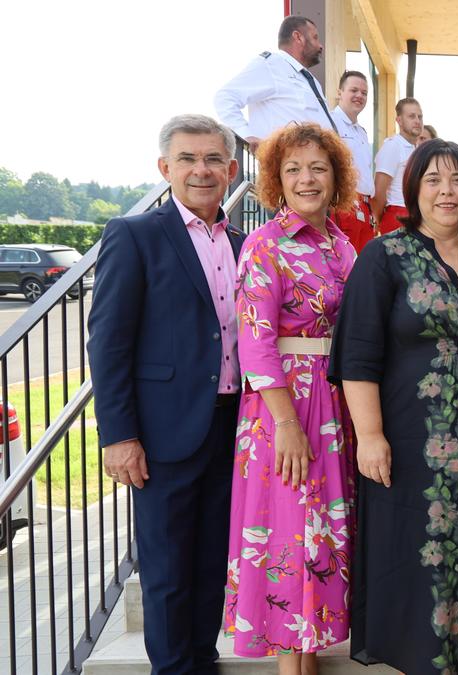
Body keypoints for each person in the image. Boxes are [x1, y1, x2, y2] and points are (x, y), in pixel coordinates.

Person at [329, 139, 458, 674]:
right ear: (413, 189)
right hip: (412, 442)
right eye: (433, 180)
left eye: (457, 180)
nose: (446, 191)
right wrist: (370, 436)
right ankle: (418, 659)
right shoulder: (384, 255)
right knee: (419, 550)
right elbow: (358, 355)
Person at [89, 113, 244, 675]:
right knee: (167, 568)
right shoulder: (135, 235)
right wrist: (120, 436)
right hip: (162, 435)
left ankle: (201, 658)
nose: (200, 170)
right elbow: (107, 344)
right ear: (165, 168)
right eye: (187, 159)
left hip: (234, 428)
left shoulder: (245, 243)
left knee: (211, 563)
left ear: (230, 170)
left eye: (211, 160)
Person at [222, 123, 358, 670]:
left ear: (336, 177)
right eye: (294, 169)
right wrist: (286, 423)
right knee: (286, 537)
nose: (307, 179)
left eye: (318, 168)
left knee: (317, 538)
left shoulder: (342, 244)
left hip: (335, 404)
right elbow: (254, 344)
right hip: (285, 409)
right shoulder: (264, 244)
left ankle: (308, 661)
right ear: (277, 179)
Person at [214, 15, 336, 152]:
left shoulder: (310, 80)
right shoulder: (271, 65)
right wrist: (246, 134)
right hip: (287, 166)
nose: (320, 46)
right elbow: (225, 97)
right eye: (315, 37)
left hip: (317, 163)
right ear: (298, 37)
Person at [331, 70, 376, 253]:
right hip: (344, 204)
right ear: (340, 92)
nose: (359, 96)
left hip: (364, 207)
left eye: (364, 93)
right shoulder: (330, 123)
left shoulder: (362, 132)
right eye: (354, 90)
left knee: (361, 266)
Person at [372, 97, 424, 234]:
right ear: (399, 120)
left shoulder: (417, 149)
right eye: (412, 116)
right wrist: (377, 221)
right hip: (397, 215)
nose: (417, 121)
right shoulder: (393, 146)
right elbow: (379, 191)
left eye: (420, 116)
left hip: (417, 216)